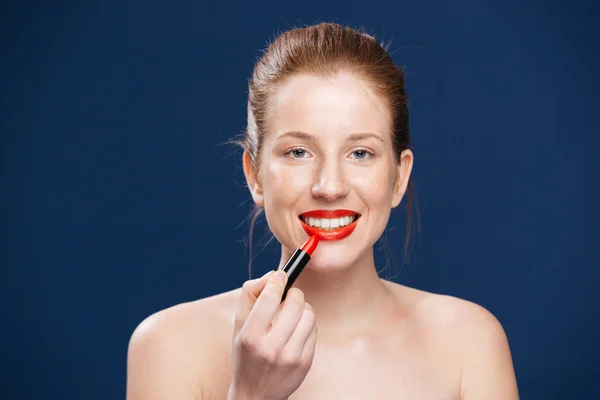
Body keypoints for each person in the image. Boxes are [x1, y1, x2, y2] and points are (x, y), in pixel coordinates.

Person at [126, 22, 519, 399]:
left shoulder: (469, 342)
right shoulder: (169, 346)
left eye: (360, 153)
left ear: (398, 178)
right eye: (298, 152)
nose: (329, 187)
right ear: (255, 176)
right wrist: (251, 394)